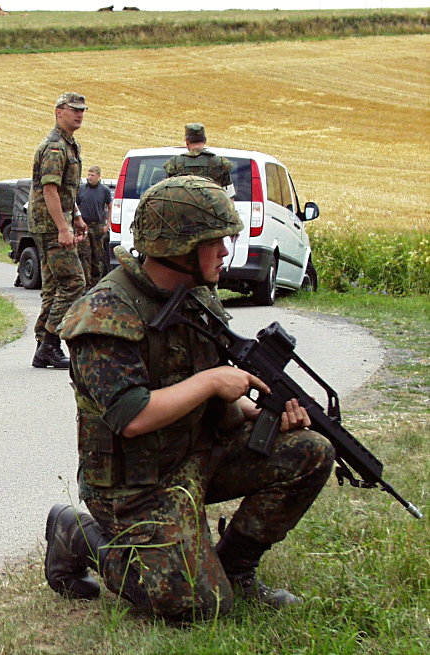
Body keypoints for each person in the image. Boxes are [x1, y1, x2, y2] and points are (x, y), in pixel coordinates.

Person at [44, 175, 335, 621]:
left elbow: (211, 391)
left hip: (198, 452)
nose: (224, 251)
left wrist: (261, 413)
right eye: (215, 241)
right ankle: (80, 534)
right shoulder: (104, 312)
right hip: (137, 481)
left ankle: (236, 568)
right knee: (197, 607)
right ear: (181, 246)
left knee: (310, 452)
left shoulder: (198, 297)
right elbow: (131, 417)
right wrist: (214, 382)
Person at [28, 91, 89, 369]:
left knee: (54, 285)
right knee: (74, 282)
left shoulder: (69, 144)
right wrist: (63, 228)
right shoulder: (55, 146)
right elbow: (49, 190)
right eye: (73, 109)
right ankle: (50, 344)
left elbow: (65, 191)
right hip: (50, 225)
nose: (79, 114)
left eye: (82, 110)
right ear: (58, 112)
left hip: (56, 220)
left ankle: (44, 345)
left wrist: (75, 215)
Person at [163, 123, 233, 189]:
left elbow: (166, 194)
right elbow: (229, 196)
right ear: (205, 140)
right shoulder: (220, 164)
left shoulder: (174, 164)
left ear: (187, 142)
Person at [76, 166, 112, 288]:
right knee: (84, 254)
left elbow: (110, 207)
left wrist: (108, 224)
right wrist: (78, 221)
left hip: (98, 226)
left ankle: (95, 283)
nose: (89, 177)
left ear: (98, 176)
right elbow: (75, 206)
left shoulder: (105, 190)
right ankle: (85, 282)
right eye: (88, 175)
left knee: (97, 255)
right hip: (84, 225)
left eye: (92, 175)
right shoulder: (81, 189)